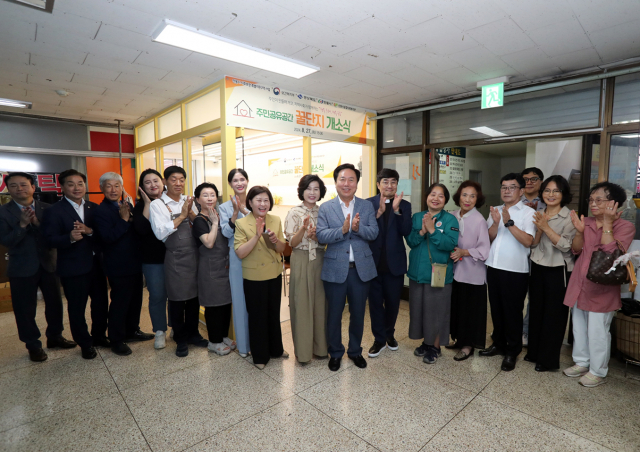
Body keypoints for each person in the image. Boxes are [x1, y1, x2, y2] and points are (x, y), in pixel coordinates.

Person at [563, 182, 635, 387]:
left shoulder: (625, 226)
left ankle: (598, 371)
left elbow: (611, 253)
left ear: (614, 203)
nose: (593, 204)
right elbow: (576, 250)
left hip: (602, 288)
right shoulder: (586, 222)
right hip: (580, 283)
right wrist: (579, 232)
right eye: (591, 200)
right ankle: (581, 362)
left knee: (598, 332)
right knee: (579, 326)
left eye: (599, 200)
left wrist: (608, 224)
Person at [0, 172, 76, 362]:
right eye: (14, 185)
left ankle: (55, 336)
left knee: (55, 303)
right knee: (25, 309)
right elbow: (6, 241)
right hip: (21, 267)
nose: (20, 189)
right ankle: (33, 345)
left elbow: (54, 236)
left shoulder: (48, 208)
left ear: (33, 187)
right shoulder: (3, 212)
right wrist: (22, 225)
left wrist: (37, 223)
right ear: (8, 189)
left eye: (24, 184)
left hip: (49, 263)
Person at [317, 163, 379, 372]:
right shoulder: (326, 207)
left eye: (351, 180)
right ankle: (335, 353)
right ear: (336, 183)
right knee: (334, 314)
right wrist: (342, 230)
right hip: (335, 269)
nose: (346, 183)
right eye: (342, 179)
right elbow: (321, 235)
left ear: (356, 184)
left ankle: (355, 351)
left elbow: (373, 233)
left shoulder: (366, 206)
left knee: (358, 313)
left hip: (361, 270)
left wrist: (357, 228)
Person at [42, 169, 109, 360]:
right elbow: (48, 239)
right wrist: (69, 238)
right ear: (62, 187)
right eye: (71, 184)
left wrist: (90, 231)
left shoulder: (93, 207)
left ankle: (99, 336)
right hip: (73, 268)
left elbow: (102, 236)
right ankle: (85, 343)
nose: (77, 188)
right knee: (77, 308)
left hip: (96, 265)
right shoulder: (54, 211)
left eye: (80, 183)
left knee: (100, 304)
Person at [149, 166, 207, 357]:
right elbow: (160, 233)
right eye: (173, 179)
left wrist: (191, 214)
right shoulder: (157, 205)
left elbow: (199, 225)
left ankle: (193, 334)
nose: (178, 183)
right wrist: (182, 215)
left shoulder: (189, 200)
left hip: (194, 256)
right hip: (175, 258)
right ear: (165, 182)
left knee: (194, 299)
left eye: (182, 179)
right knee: (177, 300)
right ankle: (180, 338)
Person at [480, 173, 536, 372]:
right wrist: (496, 223)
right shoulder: (495, 210)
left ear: (521, 191)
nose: (506, 191)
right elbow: (488, 238)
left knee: (512, 312)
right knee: (496, 309)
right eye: (504, 187)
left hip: (515, 271)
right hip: (493, 267)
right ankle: (498, 344)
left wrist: (509, 222)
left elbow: (528, 241)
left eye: (512, 187)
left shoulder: (528, 213)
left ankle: (512, 351)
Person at [93, 172, 153, 356]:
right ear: (102, 188)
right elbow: (107, 237)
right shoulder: (100, 211)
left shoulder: (125, 205)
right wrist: (124, 220)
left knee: (135, 300)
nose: (113, 190)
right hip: (118, 265)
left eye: (117, 186)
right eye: (109, 186)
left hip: (134, 261)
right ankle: (116, 339)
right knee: (120, 303)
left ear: (122, 188)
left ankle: (132, 330)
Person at [525, 175, 576, 372]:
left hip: (558, 269)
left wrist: (546, 227)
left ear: (563, 194)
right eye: (547, 190)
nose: (551, 194)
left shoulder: (570, 217)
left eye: (556, 191)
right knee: (536, 311)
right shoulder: (539, 213)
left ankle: (548, 360)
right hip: (537, 265)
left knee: (553, 316)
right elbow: (534, 244)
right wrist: (539, 229)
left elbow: (566, 246)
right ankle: (534, 352)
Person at [234, 186, 287, 369]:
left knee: (273, 313)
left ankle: (276, 349)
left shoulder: (275, 219)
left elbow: (282, 249)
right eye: (258, 200)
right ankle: (260, 356)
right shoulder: (242, 224)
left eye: (266, 200)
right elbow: (240, 253)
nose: (263, 204)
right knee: (257, 317)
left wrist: (275, 241)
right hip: (254, 276)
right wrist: (257, 236)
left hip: (274, 273)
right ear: (250, 202)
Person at [406, 183, 459, 365]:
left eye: (440, 196)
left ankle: (435, 347)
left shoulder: (450, 220)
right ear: (427, 197)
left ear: (445, 200)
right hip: (417, 274)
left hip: (439, 275)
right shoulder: (417, 217)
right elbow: (411, 241)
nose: (435, 198)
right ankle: (427, 342)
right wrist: (422, 230)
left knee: (437, 312)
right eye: (432, 194)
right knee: (420, 310)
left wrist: (432, 230)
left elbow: (449, 244)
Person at [366, 168, 412, 358]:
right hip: (373, 263)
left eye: (393, 182)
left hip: (395, 264)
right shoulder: (368, 204)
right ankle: (379, 339)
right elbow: (365, 231)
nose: (389, 185)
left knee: (393, 303)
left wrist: (396, 210)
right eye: (385, 182)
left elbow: (406, 231)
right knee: (375, 304)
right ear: (378, 184)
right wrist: (378, 213)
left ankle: (389, 335)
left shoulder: (405, 205)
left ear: (397, 185)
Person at [284, 174, 328, 364]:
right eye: (308, 188)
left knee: (320, 305)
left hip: (320, 259)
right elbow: (292, 243)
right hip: (301, 259)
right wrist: (303, 230)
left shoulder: (324, 211)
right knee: (301, 305)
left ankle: (321, 348)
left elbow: (326, 241)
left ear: (321, 192)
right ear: (302, 191)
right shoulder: (294, 212)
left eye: (316, 189)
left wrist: (316, 236)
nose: (312, 192)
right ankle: (303, 353)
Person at [448, 180, 490, 361]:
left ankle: (468, 346)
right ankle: (459, 339)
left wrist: (464, 252)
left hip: (473, 273)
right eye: (464, 195)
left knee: (470, 312)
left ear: (477, 199)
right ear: (458, 196)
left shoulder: (480, 220)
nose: (468, 199)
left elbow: (485, 250)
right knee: (457, 308)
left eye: (472, 196)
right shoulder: (452, 215)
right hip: (455, 272)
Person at [192, 182, 235, 356]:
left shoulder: (218, 215)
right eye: (205, 195)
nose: (210, 198)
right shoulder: (199, 220)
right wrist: (216, 223)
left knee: (225, 304)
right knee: (213, 306)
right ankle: (214, 342)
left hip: (224, 266)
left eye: (212, 195)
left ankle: (223, 336)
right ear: (197, 199)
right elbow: (209, 243)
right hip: (209, 269)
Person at [133, 169, 170, 349]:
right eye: (147, 182)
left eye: (155, 181)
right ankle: (160, 331)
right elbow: (141, 229)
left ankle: (177, 327)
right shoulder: (140, 206)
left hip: (175, 256)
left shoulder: (170, 201)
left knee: (177, 295)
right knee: (157, 295)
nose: (153, 185)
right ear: (142, 187)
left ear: (162, 182)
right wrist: (148, 203)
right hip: (153, 259)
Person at [218, 169, 251, 358]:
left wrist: (244, 210)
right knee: (239, 300)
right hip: (237, 255)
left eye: (242, 179)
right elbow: (225, 233)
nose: (239, 183)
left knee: (256, 299)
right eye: (235, 180)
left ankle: (259, 342)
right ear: (230, 184)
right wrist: (235, 213)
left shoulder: (255, 201)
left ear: (247, 181)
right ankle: (244, 346)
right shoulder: (224, 207)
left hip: (256, 254)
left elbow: (261, 224)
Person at [521, 167, 545, 347]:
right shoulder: (514, 201)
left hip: (540, 256)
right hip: (518, 254)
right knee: (515, 296)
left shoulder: (548, 202)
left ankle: (527, 330)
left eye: (533, 179)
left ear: (541, 182)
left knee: (534, 297)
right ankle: (511, 328)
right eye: (525, 179)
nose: (529, 182)